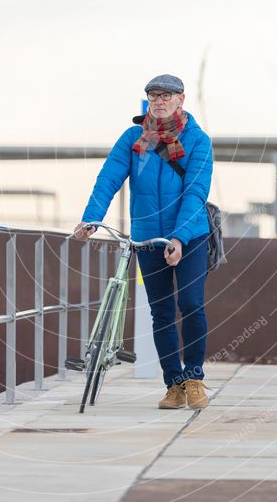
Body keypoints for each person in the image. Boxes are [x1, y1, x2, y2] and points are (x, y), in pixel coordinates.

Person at [75, 73, 214, 410]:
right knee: (162, 313)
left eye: (166, 96)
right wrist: (92, 217)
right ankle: (174, 384)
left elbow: (196, 192)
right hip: (148, 238)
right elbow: (109, 176)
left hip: (190, 236)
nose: (159, 101)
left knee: (192, 304)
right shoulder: (133, 138)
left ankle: (194, 377)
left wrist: (179, 239)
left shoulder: (198, 140)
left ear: (181, 100)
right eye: (153, 96)